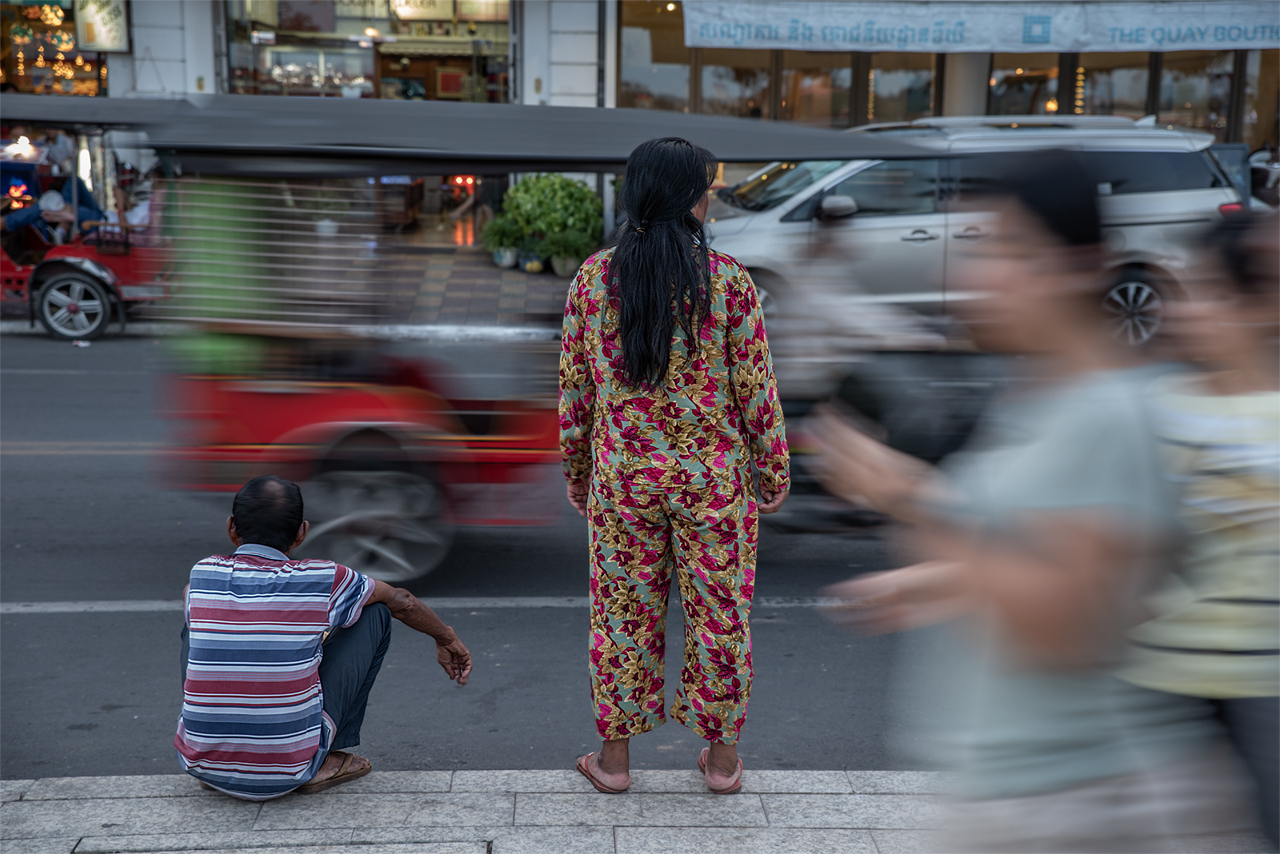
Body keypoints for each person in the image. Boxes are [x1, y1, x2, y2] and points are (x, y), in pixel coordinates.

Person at [813, 150, 1254, 851]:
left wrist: (911, 497)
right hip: (1009, 789)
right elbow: (1037, 545)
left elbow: (1066, 622)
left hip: (1073, 803)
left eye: (1003, 248)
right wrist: (936, 584)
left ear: (1077, 264)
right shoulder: (1037, 398)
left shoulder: (1113, 411)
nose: (972, 274)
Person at [559, 137, 790, 796]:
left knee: (622, 616)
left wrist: (578, 470)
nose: (712, 195)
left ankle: (615, 763)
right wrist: (772, 472)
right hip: (713, 483)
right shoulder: (729, 281)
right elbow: (756, 391)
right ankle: (720, 765)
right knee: (721, 617)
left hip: (624, 479)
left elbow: (577, 392)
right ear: (692, 196)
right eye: (707, 185)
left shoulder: (594, 279)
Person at [1121, 211, 1280, 847]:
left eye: (1211, 293)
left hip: (1263, 679)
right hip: (1159, 672)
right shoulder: (1158, 406)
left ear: (1261, 306)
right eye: (1185, 293)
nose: (1185, 312)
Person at [176, 475, 473, 800]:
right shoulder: (324, 577)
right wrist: (446, 639)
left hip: (201, 765)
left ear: (232, 527)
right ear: (302, 533)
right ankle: (325, 758)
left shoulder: (202, 572)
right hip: (291, 771)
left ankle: (218, 748)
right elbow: (403, 601)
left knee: (197, 616)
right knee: (375, 612)